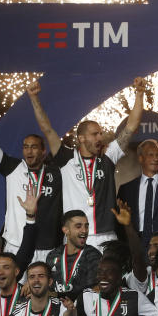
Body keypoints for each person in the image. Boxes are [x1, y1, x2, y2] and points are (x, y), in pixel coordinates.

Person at [29, 77, 145, 248]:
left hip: (106, 236)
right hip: (75, 238)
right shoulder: (66, 158)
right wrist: (34, 98)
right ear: (81, 138)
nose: (100, 137)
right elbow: (46, 128)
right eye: (95, 134)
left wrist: (140, 94)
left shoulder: (108, 157)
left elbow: (132, 126)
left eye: (100, 133)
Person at [0, 94, 61, 261]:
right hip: (16, 244)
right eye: (25, 147)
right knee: (13, 287)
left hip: (47, 247)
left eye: (34, 147)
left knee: (45, 287)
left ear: (44, 151)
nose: (29, 151)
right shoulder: (13, 167)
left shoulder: (56, 174)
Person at [116, 139, 158, 248]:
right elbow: (120, 223)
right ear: (140, 158)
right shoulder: (126, 189)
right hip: (135, 243)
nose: (156, 159)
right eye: (151, 155)